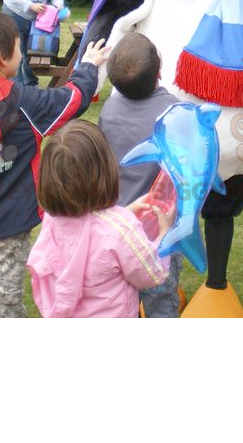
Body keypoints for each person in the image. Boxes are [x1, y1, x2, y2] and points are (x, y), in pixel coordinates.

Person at [0, 9, 108, 317]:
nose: (22, 50)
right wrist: (89, 67)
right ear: (3, 57)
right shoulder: (27, 103)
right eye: (18, 44)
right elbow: (73, 99)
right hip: (10, 225)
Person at [27, 120, 173, 318]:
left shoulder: (51, 221)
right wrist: (165, 234)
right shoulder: (120, 229)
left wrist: (126, 213)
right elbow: (152, 272)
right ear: (105, 168)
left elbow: (88, 231)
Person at [97, 32, 183, 317]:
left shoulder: (108, 110)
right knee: (160, 297)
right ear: (160, 69)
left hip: (117, 225)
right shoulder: (173, 112)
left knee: (122, 296)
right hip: (158, 232)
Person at [1, 0, 64, 86]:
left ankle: (30, 83)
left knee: (31, 51)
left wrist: (58, 5)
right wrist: (31, 5)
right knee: (16, 52)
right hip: (14, 14)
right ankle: (15, 86)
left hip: (36, 19)